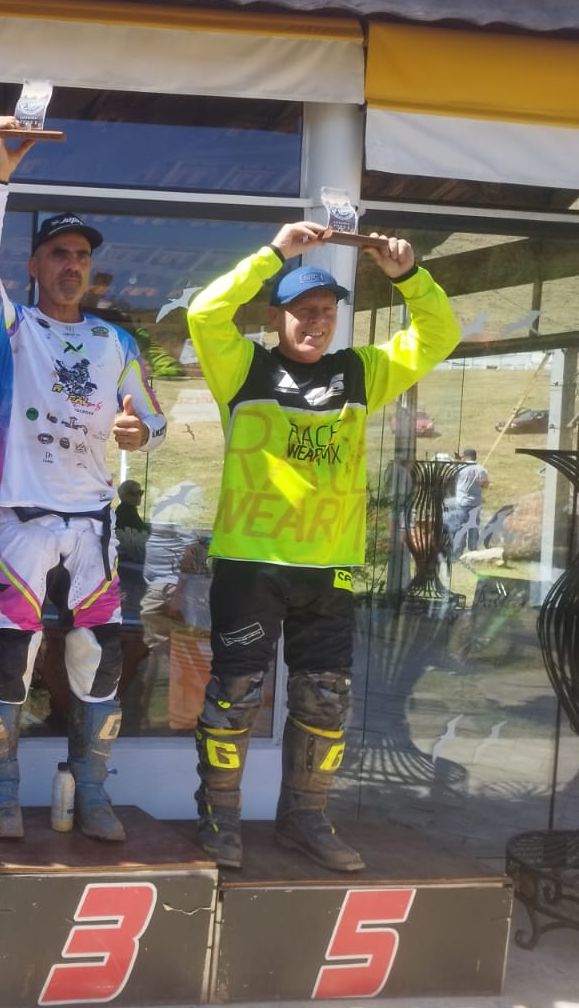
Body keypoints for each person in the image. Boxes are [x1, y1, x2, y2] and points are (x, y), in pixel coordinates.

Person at [187, 224, 459, 872]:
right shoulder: (243, 366)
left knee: (325, 698)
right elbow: (204, 311)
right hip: (253, 564)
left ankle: (305, 819)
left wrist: (408, 277)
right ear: (276, 316)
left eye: (326, 311)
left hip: (330, 566)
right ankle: (219, 819)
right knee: (235, 693)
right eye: (302, 309)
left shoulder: (359, 372)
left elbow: (439, 335)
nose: (315, 321)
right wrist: (275, 255)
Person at [0, 117, 168, 842]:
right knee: (7, 654)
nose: (72, 265)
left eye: (81, 256)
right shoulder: (12, 327)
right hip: (21, 516)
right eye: (59, 254)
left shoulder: (116, 341)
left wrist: (142, 433)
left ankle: (94, 790)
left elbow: (152, 417)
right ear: (36, 266)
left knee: (100, 656)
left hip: (91, 524)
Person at [448, 447, 490, 553]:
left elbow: (451, 474)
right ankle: (473, 549)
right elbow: (485, 485)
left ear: (465, 457)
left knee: (461, 526)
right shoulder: (481, 469)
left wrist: (458, 461)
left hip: (461, 502)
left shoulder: (459, 468)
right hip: (475, 502)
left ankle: (458, 550)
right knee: (474, 526)